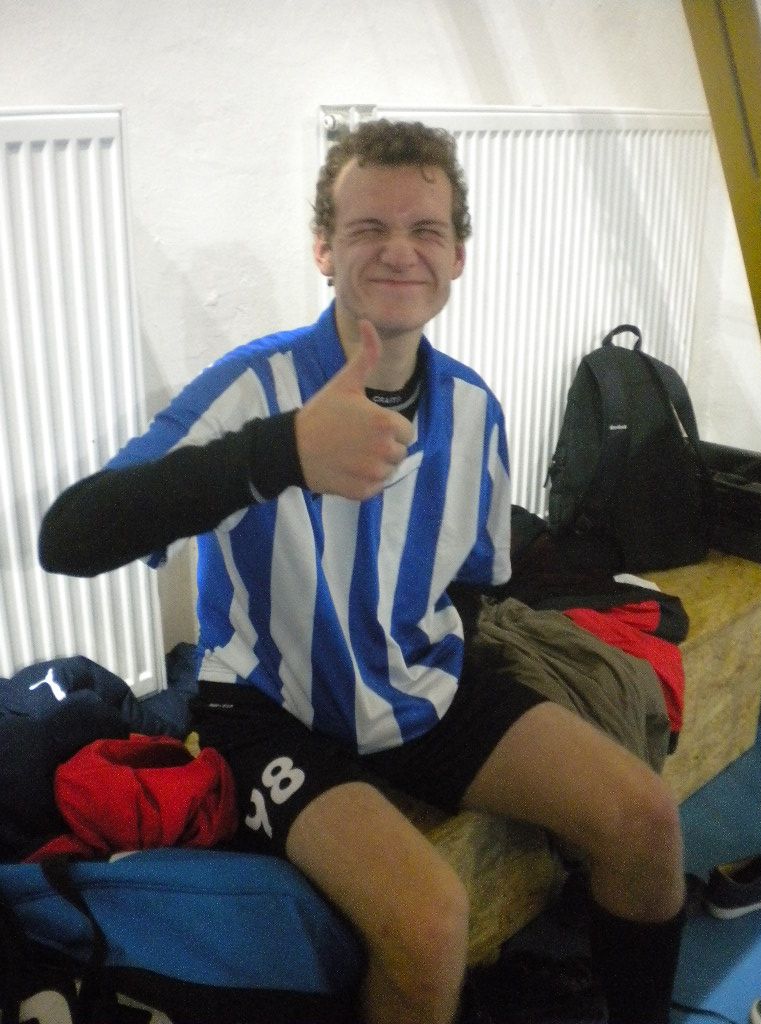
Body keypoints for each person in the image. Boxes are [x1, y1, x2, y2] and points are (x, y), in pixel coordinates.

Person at [39, 119, 686, 1024]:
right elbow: (69, 538)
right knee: (429, 924)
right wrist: (281, 453)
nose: (399, 250)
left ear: (458, 255)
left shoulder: (473, 407)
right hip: (269, 710)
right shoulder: (254, 389)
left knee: (645, 819)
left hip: (419, 681)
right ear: (323, 249)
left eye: (425, 229)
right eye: (367, 228)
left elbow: (476, 578)